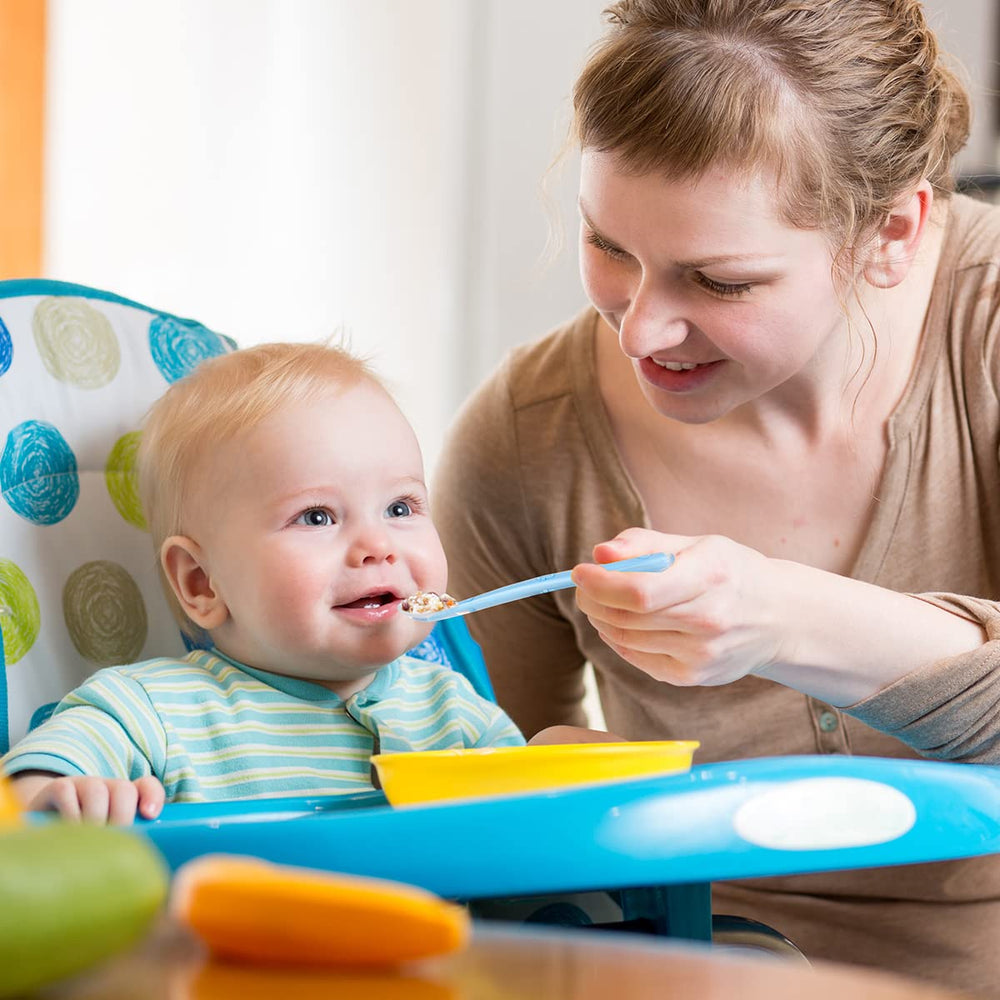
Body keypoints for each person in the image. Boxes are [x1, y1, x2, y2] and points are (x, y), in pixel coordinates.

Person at [432, 0, 1000, 994]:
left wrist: (781, 616)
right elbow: (475, 807)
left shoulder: (982, 330)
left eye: (719, 281)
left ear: (892, 231)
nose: (641, 330)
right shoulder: (525, 437)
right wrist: (545, 773)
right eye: (609, 245)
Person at [0, 342, 528, 824]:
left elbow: (533, 829)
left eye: (399, 507)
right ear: (202, 582)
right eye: (317, 517)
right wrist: (58, 795)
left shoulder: (455, 713)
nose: (379, 545)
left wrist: (571, 756)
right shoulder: (152, 711)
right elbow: (24, 791)